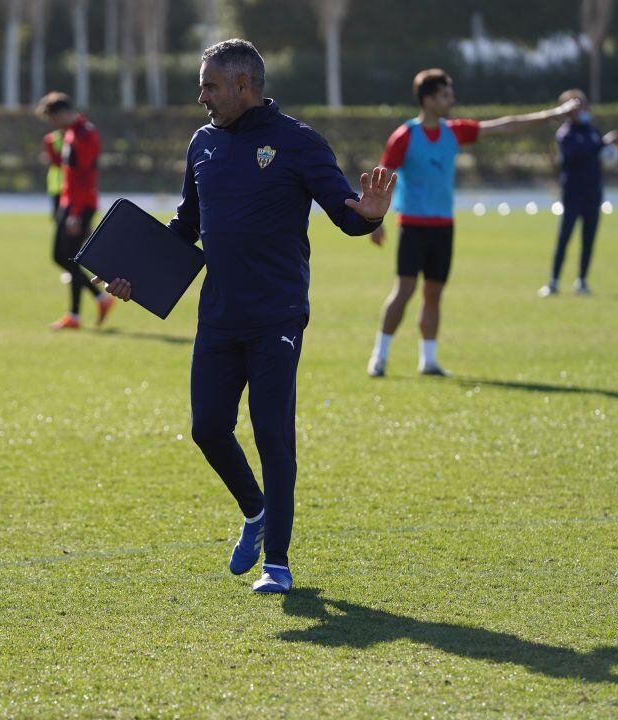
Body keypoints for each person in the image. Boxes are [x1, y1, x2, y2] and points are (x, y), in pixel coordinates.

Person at [98, 39, 395, 594]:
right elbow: (186, 225)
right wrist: (131, 272)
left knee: (272, 435)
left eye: (209, 85)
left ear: (243, 85)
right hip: (219, 314)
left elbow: (345, 213)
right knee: (207, 428)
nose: (201, 96)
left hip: (277, 313)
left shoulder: (298, 142)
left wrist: (370, 216)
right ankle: (256, 512)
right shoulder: (202, 144)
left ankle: (277, 564)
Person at [366, 69, 577, 377]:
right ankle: (380, 356)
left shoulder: (455, 131)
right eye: (445, 95)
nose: (451, 100)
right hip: (413, 226)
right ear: (428, 99)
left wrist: (553, 114)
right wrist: (375, 221)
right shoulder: (405, 136)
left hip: (443, 227)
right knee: (405, 289)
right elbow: (381, 178)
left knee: (434, 293)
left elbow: (505, 126)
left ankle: (429, 359)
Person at [36, 92, 114, 331]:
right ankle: (80, 311)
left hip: (77, 204)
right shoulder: (72, 133)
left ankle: (88, 306)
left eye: (52, 118)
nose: (52, 125)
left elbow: (85, 177)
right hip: (70, 202)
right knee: (67, 257)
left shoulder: (85, 134)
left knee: (64, 257)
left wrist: (77, 213)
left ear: (62, 113)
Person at [538, 90, 618, 298]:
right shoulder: (566, 134)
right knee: (565, 238)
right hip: (573, 194)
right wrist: (603, 143)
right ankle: (553, 280)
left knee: (589, 238)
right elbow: (577, 155)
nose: (584, 110)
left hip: (593, 192)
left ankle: (582, 280)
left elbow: (606, 153)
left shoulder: (592, 131)